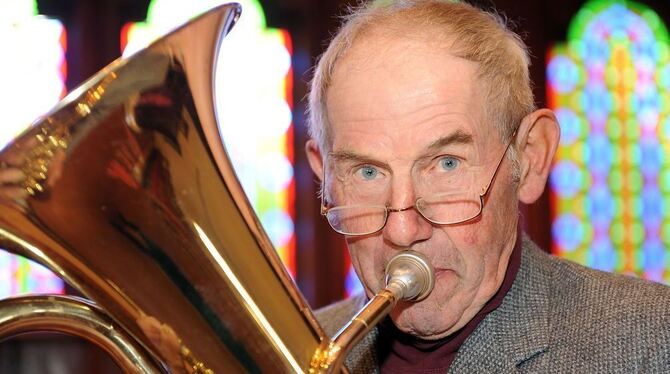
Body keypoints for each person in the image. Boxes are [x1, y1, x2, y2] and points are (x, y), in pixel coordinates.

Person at [304, 1, 670, 372]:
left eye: (447, 164)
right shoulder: (295, 348)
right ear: (325, 176)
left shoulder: (654, 339)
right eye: (368, 172)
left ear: (530, 158)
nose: (402, 231)